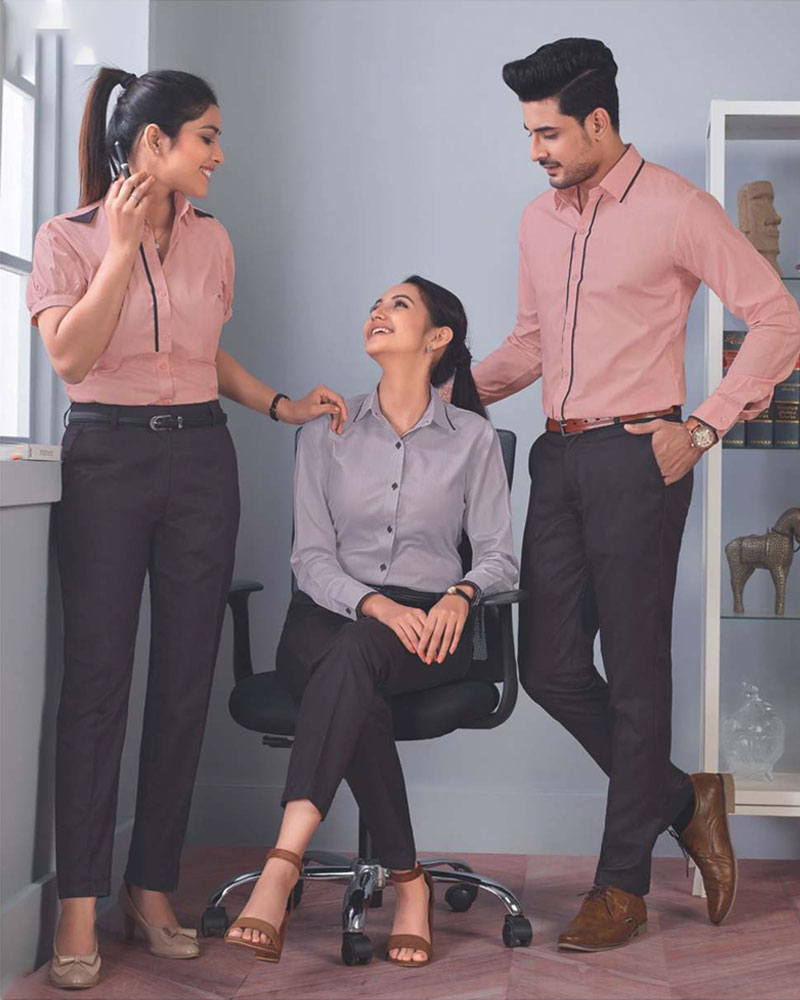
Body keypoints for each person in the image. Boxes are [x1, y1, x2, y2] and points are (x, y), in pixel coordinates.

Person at [453, 37, 800, 951]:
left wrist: (705, 427)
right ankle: (685, 800)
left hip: (640, 459)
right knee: (550, 667)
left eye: (548, 133)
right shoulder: (539, 221)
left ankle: (621, 889)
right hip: (557, 459)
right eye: (530, 134)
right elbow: (532, 344)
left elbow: (778, 316)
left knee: (639, 673)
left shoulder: (677, 208)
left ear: (599, 121)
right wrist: (442, 394)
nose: (536, 151)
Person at [26, 67, 348, 990]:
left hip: (204, 461)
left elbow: (204, 354)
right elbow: (71, 356)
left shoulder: (214, 239)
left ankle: (151, 888)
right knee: (97, 685)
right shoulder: (66, 238)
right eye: (206, 135)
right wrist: (121, 250)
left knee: (182, 684)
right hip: (106, 459)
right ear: (154, 144)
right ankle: (78, 903)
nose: (219, 153)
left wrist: (279, 404)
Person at [224, 276, 518, 967]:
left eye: (399, 305)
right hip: (326, 616)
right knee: (356, 665)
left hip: (430, 626)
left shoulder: (473, 439)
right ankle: (408, 883)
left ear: (438, 338)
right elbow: (310, 557)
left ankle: (281, 867)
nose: (379, 312)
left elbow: (500, 556)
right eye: (376, 305)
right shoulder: (326, 430)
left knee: (356, 664)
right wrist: (372, 603)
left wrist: (462, 594)